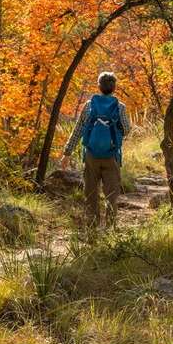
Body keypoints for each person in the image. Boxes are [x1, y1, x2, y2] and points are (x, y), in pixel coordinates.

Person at [61, 71, 132, 228]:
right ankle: (110, 230)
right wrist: (114, 134)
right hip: (112, 156)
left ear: (99, 86)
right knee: (111, 196)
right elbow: (127, 129)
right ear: (114, 88)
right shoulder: (120, 107)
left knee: (91, 195)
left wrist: (67, 153)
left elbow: (78, 130)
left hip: (91, 156)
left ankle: (92, 230)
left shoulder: (89, 105)